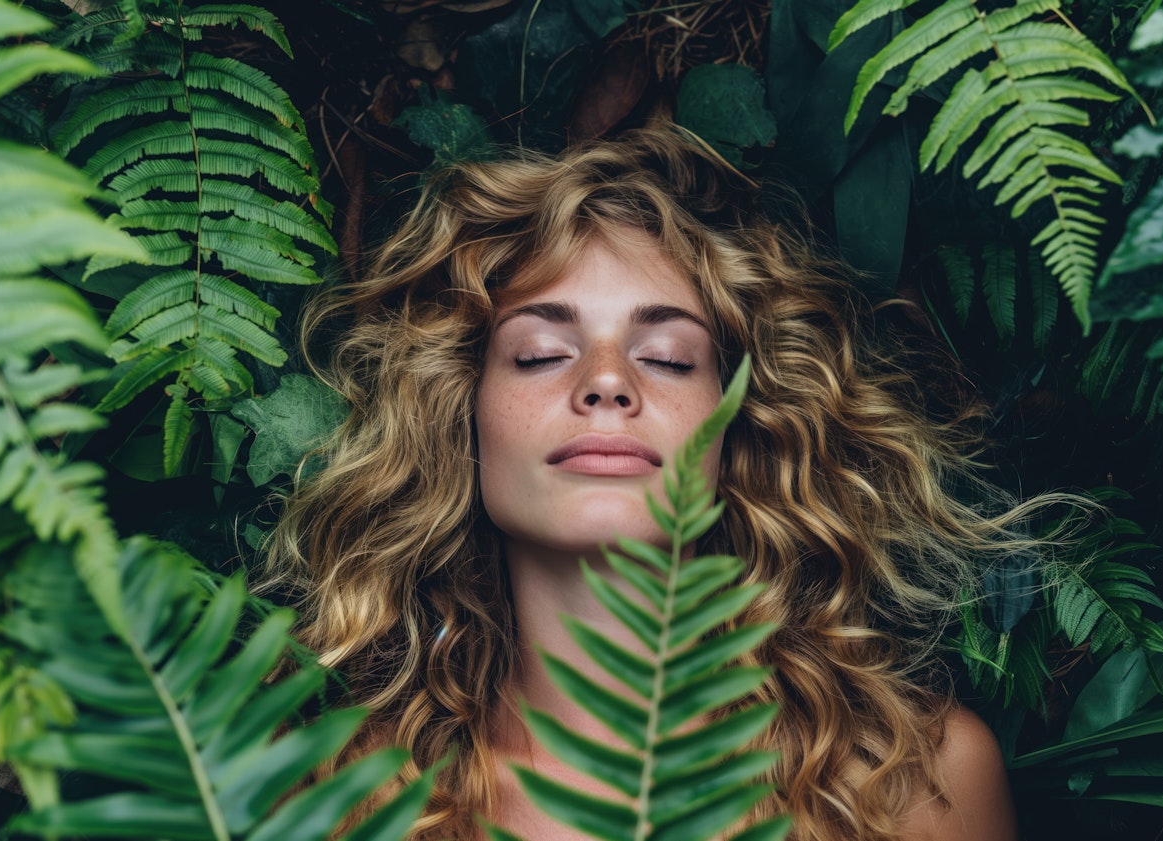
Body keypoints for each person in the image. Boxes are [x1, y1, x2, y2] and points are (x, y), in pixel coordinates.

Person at [264, 124, 1035, 840]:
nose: (607, 381)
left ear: (741, 426)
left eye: (667, 356)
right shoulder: (342, 792)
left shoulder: (915, 781)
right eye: (539, 352)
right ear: (459, 418)